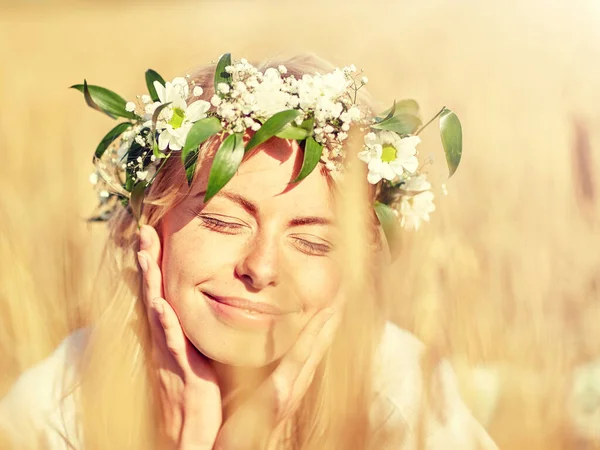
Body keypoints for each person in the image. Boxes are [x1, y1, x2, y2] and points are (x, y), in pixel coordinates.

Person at [0, 54, 498, 449]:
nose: (260, 268)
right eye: (223, 220)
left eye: (312, 241)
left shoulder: (402, 404)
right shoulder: (53, 411)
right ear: (149, 228)